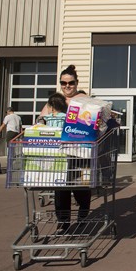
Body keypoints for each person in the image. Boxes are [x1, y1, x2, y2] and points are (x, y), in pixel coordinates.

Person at [40, 65, 91, 234]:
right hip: (59, 153)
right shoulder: (55, 101)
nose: (67, 86)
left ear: (76, 83)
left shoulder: (84, 99)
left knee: (81, 186)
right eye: (63, 83)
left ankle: (83, 217)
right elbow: (42, 119)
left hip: (80, 151)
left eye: (71, 83)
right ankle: (63, 223)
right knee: (60, 188)